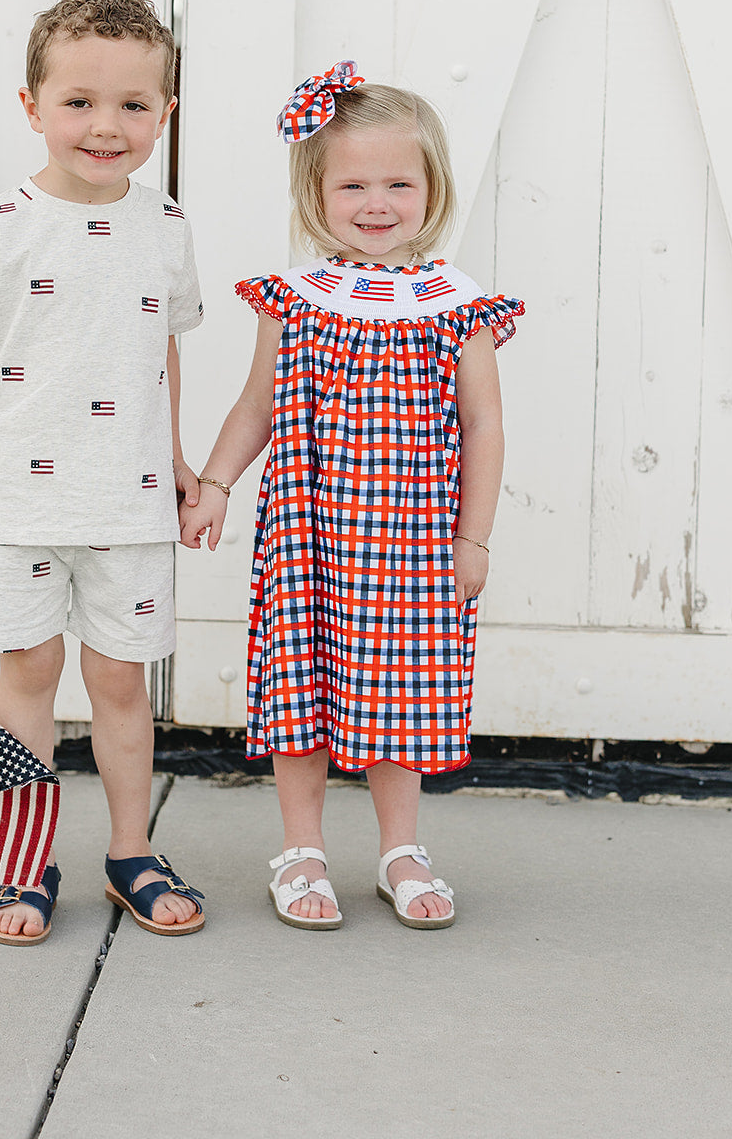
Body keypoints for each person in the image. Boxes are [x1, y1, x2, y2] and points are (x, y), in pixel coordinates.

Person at [0, 0, 206, 945]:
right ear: (31, 106)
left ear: (164, 113)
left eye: (133, 106)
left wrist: (179, 459)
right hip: (19, 508)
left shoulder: (166, 226)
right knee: (25, 675)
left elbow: (162, 347)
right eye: (78, 102)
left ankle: (128, 850)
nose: (105, 126)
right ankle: (23, 864)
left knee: (118, 685)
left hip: (132, 505)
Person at [181, 62, 522, 931]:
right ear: (316, 192)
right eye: (353, 184)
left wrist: (472, 539)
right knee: (299, 689)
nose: (376, 202)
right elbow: (255, 405)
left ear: (430, 188)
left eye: (398, 183)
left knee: (397, 694)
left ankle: (399, 847)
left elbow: (482, 426)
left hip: (412, 543)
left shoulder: (455, 305)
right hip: (305, 532)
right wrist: (216, 482)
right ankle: (301, 850)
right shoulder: (293, 300)